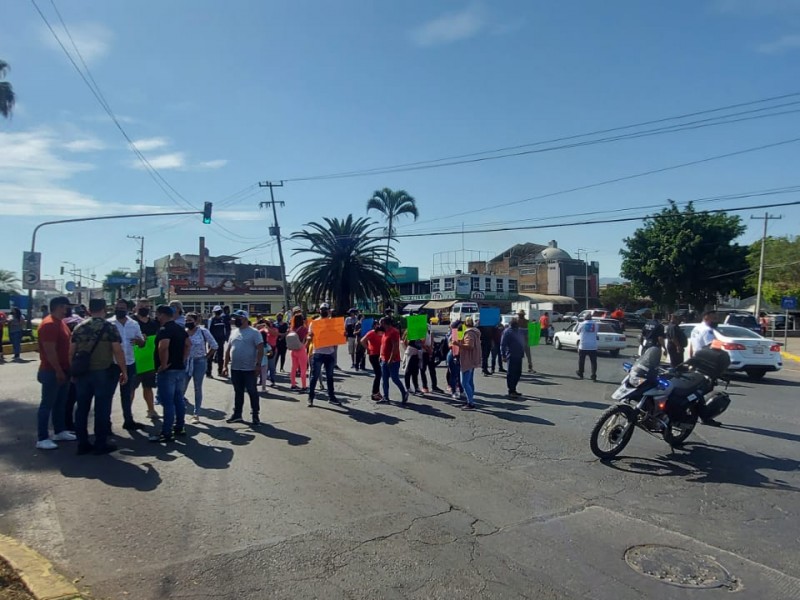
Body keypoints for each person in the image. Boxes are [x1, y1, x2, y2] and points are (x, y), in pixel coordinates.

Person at [71, 298, 128, 455]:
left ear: (89, 309)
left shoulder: (79, 327)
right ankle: (100, 443)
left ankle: (82, 443)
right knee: (102, 408)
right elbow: (117, 350)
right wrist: (124, 370)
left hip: (82, 373)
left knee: (82, 408)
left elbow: (72, 350)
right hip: (102, 372)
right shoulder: (109, 327)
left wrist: (72, 371)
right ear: (104, 309)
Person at [35, 296, 75, 450]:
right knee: (47, 405)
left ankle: (59, 431)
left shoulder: (61, 323)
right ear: (60, 306)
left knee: (60, 403)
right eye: (66, 307)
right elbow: (49, 351)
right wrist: (58, 370)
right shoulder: (49, 324)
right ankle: (42, 437)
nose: (68, 310)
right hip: (52, 371)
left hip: (63, 370)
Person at [147, 305, 190, 442]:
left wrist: (163, 364)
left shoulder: (165, 329)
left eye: (158, 315)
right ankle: (180, 427)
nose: (157, 317)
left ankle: (166, 432)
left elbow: (163, 347)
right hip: (179, 369)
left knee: (168, 402)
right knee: (178, 399)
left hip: (168, 371)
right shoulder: (180, 328)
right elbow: (188, 344)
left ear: (163, 315)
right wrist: (183, 358)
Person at [108, 298, 146, 432]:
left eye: (123, 308)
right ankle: (106, 423)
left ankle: (128, 420)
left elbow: (142, 343)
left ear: (128, 309)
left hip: (129, 362)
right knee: (109, 393)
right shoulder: (109, 323)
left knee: (127, 393)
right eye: (118, 308)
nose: (120, 310)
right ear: (114, 308)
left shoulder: (134, 324)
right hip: (112, 364)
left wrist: (139, 341)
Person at [223, 310, 264, 424]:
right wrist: (225, 365)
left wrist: (258, 365)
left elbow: (260, 349)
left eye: (238, 318)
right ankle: (237, 414)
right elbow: (228, 349)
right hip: (235, 368)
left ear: (245, 319)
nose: (235, 320)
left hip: (249, 369)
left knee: (252, 391)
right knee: (238, 391)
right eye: (235, 318)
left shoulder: (254, 332)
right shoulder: (234, 332)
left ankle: (255, 415)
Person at [184, 312, 218, 423]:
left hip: (199, 362)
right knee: (181, 388)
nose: (188, 322)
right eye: (186, 320)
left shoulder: (203, 332)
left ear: (196, 321)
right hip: (186, 362)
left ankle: (196, 413)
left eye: (190, 320)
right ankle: (178, 412)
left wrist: (206, 357)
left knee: (197, 388)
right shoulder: (184, 332)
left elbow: (214, 345)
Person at [307, 303, 341, 407]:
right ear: (319, 310)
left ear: (329, 311)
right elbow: (309, 336)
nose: (324, 311)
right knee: (314, 376)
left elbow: (337, 337)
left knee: (330, 377)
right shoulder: (314, 323)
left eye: (325, 309)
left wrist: (340, 335)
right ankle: (311, 397)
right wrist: (311, 337)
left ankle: (332, 397)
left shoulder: (333, 323)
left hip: (329, 353)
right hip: (318, 352)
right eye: (322, 309)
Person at [132, 298, 160, 419]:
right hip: (134, 362)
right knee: (131, 388)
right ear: (136, 308)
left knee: (148, 387)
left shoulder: (154, 323)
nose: (144, 309)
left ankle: (151, 410)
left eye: (147, 307)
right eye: (141, 306)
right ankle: (128, 413)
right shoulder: (131, 322)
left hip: (150, 362)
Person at [452, 316, 481, 410]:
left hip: (468, 360)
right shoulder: (475, 332)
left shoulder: (469, 333)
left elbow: (469, 346)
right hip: (472, 359)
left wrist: (458, 344)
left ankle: (471, 403)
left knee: (464, 382)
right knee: (470, 381)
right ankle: (470, 399)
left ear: (465, 324)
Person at [379, 316, 408, 404]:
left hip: (393, 360)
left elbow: (395, 347)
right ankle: (385, 397)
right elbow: (383, 345)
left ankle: (404, 392)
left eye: (381, 323)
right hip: (384, 359)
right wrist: (381, 356)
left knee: (394, 378)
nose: (379, 324)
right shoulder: (385, 332)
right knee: (384, 379)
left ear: (385, 323)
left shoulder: (394, 332)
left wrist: (391, 359)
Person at [501, 317, 525, 398]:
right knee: (511, 373)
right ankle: (511, 390)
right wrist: (503, 355)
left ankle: (513, 388)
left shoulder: (519, 331)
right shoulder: (507, 332)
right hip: (511, 355)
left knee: (518, 373)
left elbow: (527, 332)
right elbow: (503, 344)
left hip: (519, 355)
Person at [361, 319, 384, 401]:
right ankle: (375, 393)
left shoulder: (382, 332)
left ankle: (377, 392)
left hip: (381, 354)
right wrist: (367, 348)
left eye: (378, 324)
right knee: (378, 374)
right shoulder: (371, 333)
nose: (377, 326)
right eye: (376, 324)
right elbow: (362, 341)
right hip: (373, 355)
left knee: (381, 374)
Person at [287, 312, 309, 391]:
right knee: (303, 368)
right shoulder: (303, 329)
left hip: (293, 350)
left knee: (294, 368)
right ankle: (304, 386)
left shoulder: (292, 329)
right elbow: (307, 337)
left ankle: (293, 384)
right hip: (301, 349)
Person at [575, 313, 599, 381]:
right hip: (593, 346)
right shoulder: (595, 324)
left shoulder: (582, 324)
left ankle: (581, 372)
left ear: (584, 318)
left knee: (581, 360)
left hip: (583, 345)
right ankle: (593, 375)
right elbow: (596, 332)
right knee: (593, 361)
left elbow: (577, 332)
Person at [207, 305, 229, 377]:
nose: (218, 313)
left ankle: (220, 372)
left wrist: (224, 338)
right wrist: (209, 341)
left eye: (219, 312)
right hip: (212, 341)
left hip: (220, 341)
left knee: (220, 357)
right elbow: (208, 330)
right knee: (210, 356)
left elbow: (224, 330)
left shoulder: (222, 320)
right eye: (216, 312)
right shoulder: (211, 320)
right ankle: (208, 372)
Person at [420, 322, 442, 394]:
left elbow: (432, 340)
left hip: (429, 351)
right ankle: (425, 386)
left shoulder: (428, 328)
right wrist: (429, 349)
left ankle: (434, 386)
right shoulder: (422, 330)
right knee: (423, 370)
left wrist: (431, 349)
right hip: (423, 352)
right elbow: (421, 343)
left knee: (431, 370)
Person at [446, 321, 463, 400]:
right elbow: (450, 345)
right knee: (454, 375)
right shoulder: (453, 334)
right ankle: (454, 391)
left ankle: (461, 390)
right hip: (453, 355)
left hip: (459, 356)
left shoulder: (461, 333)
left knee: (459, 375)